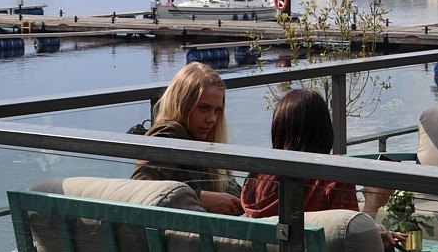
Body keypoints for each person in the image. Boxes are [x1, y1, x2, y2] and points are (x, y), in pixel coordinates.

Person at [241, 88, 404, 247]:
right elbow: (351, 241)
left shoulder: (257, 177)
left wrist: (373, 230)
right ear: (325, 128)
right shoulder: (333, 173)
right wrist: (372, 204)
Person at [131, 62, 242, 215]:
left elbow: (234, 193)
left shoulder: (202, 142)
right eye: (203, 108)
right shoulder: (169, 134)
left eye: (217, 111)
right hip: (178, 236)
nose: (212, 119)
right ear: (182, 104)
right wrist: (201, 198)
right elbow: (139, 191)